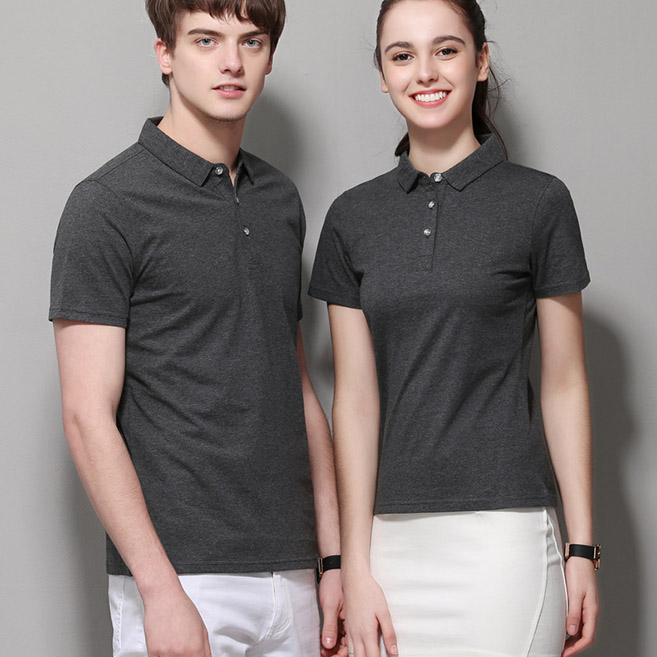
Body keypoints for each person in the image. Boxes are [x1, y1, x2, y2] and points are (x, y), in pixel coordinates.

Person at [49, 1, 346, 656]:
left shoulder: (281, 200)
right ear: (165, 53)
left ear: (269, 58)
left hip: (295, 570)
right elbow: (85, 416)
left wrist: (331, 559)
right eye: (207, 40)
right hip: (183, 577)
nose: (231, 62)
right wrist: (159, 591)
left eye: (251, 42)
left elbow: (295, 385)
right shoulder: (106, 204)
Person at [309, 1, 599, 656]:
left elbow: (564, 384)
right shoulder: (351, 217)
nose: (424, 72)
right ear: (382, 74)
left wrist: (582, 547)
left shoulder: (539, 202)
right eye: (401, 55)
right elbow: (354, 401)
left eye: (445, 49)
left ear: (481, 61)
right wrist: (353, 563)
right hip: (387, 543)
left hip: (503, 538)